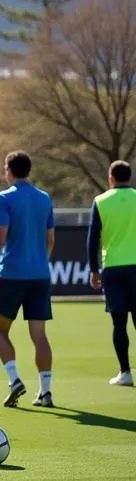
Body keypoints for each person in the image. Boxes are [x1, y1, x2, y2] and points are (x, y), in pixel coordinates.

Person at [0, 151, 56, 408]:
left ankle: (14, 379)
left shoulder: (4, 198)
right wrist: (41, 263)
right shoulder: (44, 199)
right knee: (39, 336)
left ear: (8, 170)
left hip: (11, 274)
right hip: (40, 275)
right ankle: (46, 392)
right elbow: (50, 239)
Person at [87, 160, 136, 387]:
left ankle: (125, 372)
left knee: (119, 323)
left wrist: (94, 270)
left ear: (111, 178)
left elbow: (93, 238)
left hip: (113, 269)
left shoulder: (101, 201)